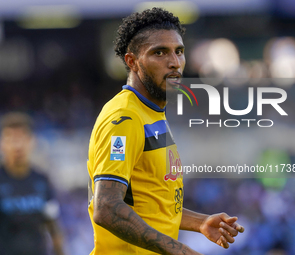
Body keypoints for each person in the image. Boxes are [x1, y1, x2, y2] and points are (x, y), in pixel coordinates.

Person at [87, 8, 244, 255]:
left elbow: (150, 203)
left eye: (178, 51)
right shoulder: (125, 117)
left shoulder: (152, 111)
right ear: (132, 61)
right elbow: (106, 207)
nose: (174, 62)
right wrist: (180, 250)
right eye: (159, 52)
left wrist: (199, 222)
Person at [0, 112, 65, 255]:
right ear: (1, 143)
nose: (17, 146)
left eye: (22, 138)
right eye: (11, 139)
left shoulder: (42, 179)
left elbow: (52, 225)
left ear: (32, 141)